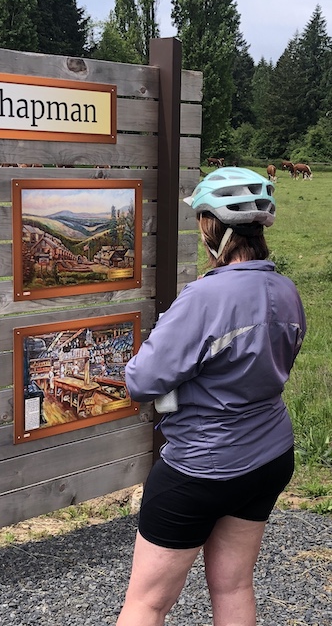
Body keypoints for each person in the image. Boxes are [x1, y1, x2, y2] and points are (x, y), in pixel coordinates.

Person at [116, 167, 306, 626]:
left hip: (201, 465)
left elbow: (141, 381)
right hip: (270, 454)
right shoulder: (286, 289)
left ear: (211, 228)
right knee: (235, 584)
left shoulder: (203, 297)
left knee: (147, 602)